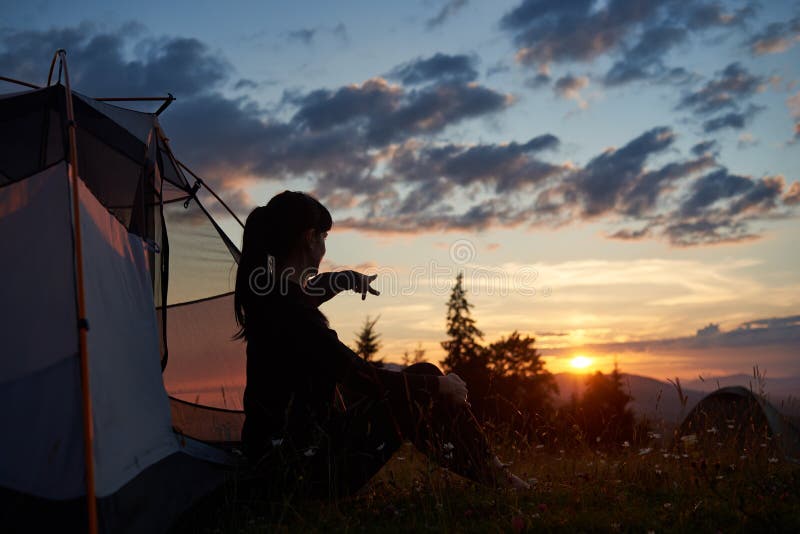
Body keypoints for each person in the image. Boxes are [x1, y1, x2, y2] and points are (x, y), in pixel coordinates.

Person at [234, 190, 527, 498]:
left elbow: (303, 294)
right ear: (310, 238)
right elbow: (361, 376)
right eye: (325, 236)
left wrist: (345, 279)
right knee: (422, 380)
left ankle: (494, 473)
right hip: (302, 476)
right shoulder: (297, 317)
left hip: (276, 464)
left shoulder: (267, 298)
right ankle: (499, 478)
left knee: (415, 384)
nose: (324, 246)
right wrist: (440, 386)